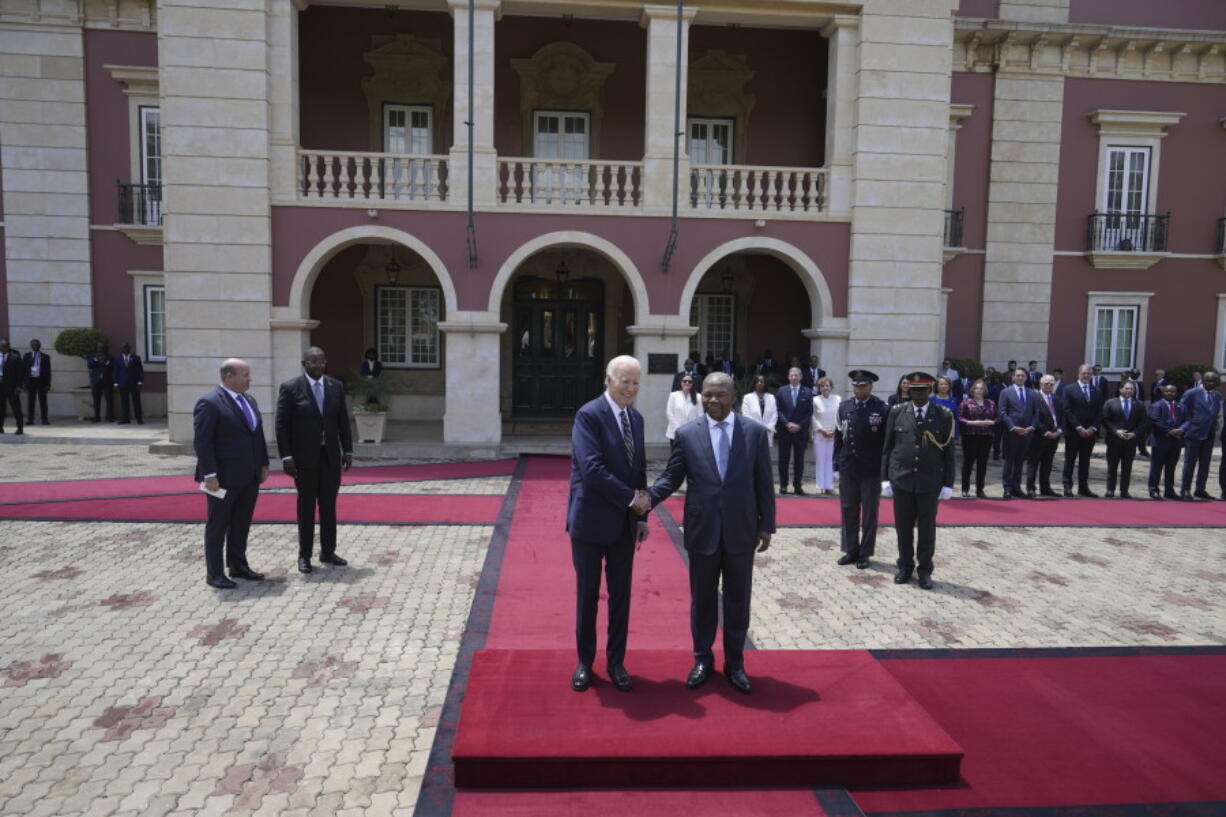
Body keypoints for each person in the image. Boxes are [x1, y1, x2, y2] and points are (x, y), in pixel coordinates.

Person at [648, 372, 775, 695]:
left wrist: (766, 525)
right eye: (707, 395)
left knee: (737, 600)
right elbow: (672, 476)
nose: (712, 400)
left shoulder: (755, 433)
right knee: (702, 600)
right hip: (702, 530)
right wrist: (646, 499)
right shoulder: (687, 434)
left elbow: (764, 483)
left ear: (734, 397)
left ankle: (735, 663)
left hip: (741, 529)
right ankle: (702, 660)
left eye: (720, 395)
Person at [566, 355, 649, 693]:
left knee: (621, 597)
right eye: (624, 381)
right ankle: (585, 663)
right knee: (587, 596)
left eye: (635, 383)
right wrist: (632, 499)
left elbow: (639, 469)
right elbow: (592, 469)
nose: (630, 389)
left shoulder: (638, 419)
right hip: (590, 522)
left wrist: (641, 515)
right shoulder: (589, 415)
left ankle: (616, 662)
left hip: (624, 527)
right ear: (608, 379)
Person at [276, 346, 354, 574]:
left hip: (330, 457)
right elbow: (282, 426)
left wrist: (347, 450)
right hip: (304, 459)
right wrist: (287, 456)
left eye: (322, 361)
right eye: (313, 362)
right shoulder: (291, 388)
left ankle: (328, 552)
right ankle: (305, 555)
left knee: (329, 507)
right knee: (306, 507)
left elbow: (343, 422)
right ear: (304, 364)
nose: (318, 365)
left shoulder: (335, 387)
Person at [193, 358, 269, 589]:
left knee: (241, 522)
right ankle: (214, 573)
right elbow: (203, 442)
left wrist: (263, 464)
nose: (250, 379)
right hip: (222, 478)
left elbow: (257, 435)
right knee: (218, 525)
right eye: (245, 375)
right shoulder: (210, 403)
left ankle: (238, 565)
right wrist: (210, 475)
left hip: (249, 475)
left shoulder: (249, 400)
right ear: (229, 377)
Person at [881, 372, 955, 590]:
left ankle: (925, 570)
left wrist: (948, 483)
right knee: (903, 528)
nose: (919, 394)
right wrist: (885, 478)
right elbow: (888, 448)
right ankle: (905, 566)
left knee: (927, 529)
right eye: (915, 390)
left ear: (930, 391)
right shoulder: (897, 412)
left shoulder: (943, 414)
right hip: (902, 480)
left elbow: (948, 453)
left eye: (923, 390)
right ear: (909, 391)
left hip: (929, 482)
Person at [833, 370, 886, 569]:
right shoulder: (844, 408)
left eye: (863, 386)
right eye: (856, 386)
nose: (859, 389)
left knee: (870, 513)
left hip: (871, 469)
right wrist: (836, 465)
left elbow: (886, 443)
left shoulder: (881, 408)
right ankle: (851, 549)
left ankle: (865, 552)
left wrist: (885, 471)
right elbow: (839, 438)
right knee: (848, 510)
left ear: (871, 386)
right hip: (849, 467)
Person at [1061, 364, 1105, 497]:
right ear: (1078, 374)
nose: (1086, 376)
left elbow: (1099, 412)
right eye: (1084, 373)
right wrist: (1078, 427)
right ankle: (1067, 486)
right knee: (1070, 459)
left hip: (1090, 433)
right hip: (1074, 431)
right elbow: (1066, 410)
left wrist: (1093, 428)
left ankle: (1083, 487)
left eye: (1089, 374)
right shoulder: (1069, 389)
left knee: (1085, 461)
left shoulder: (1096, 391)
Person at [1101, 380, 1149, 499]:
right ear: (1120, 389)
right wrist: (1115, 431)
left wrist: (1135, 433)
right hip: (1114, 440)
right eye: (1127, 388)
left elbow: (1143, 423)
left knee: (1127, 467)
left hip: (1130, 441)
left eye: (1131, 389)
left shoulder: (1139, 404)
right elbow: (1105, 420)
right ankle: (1110, 489)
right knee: (1112, 466)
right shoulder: (1110, 403)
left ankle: (1124, 490)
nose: (1129, 391)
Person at [1179, 370, 1222, 501]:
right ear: (1202, 380)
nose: (1211, 383)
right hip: (1194, 433)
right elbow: (1182, 410)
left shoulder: (1217, 395)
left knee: (1205, 464)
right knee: (1190, 463)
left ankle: (1200, 489)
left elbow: (1215, 413)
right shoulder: (1192, 393)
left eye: (1214, 381)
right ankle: (1185, 489)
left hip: (1209, 434)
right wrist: (1186, 427)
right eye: (1208, 380)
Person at [998, 368, 1039, 499]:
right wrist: (1012, 427)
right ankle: (1007, 488)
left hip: (1027, 432)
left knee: (1020, 461)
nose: (1020, 378)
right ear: (1013, 377)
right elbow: (1002, 412)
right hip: (1012, 432)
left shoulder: (1032, 393)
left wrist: (1031, 427)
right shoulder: (1005, 392)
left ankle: (1016, 486)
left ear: (1026, 378)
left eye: (1023, 376)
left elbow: (1037, 413)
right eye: (1018, 376)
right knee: (1009, 460)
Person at [775, 367, 813, 495]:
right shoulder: (781, 391)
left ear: (801, 377)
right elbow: (778, 410)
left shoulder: (808, 392)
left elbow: (809, 413)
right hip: (785, 431)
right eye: (792, 375)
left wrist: (799, 425)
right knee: (783, 459)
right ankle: (783, 485)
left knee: (799, 460)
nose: (794, 378)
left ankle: (797, 485)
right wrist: (787, 423)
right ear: (788, 377)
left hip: (800, 432)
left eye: (796, 375)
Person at [1025, 375, 1063, 497]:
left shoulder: (1057, 398)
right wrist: (1045, 432)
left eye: (1051, 384)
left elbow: (1062, 416)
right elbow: (1033, 417)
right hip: (1038, 436)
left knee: (1048, 464)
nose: (1049, 386)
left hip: (1054, 437)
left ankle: (1045, 488)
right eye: (1046, 383)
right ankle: (1031, 488)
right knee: (1033, 463)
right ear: (1041, 384)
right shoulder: (1034, 398)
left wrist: (1059, 431)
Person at [958, 378, 996, 498]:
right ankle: (965, 489)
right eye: (976, 388)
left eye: (981, 388)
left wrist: (991, 422)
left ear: (985, 390)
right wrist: (971, 423)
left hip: (986, 437)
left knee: (982, 464)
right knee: (968, 463)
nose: (978, 391)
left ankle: (980, 489)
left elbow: (997, 418)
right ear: (972, 390)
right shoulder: (966, 402)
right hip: (970, 436)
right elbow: (960, 417)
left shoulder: (991, 403)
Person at [1147, 383, 1185, 500]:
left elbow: (1187, 420)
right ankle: (1154, 490)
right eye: (1167, 391)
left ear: (1176, 393)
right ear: (1163, 393)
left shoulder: (1181, 406)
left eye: (1172, 391)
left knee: (1171, 467)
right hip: (1160, 441)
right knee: (1156, 467)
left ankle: (1169, 490)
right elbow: (1156, 420)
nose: (1170, 393)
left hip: (1176, 442)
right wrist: (1170, 431)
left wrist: (1181, 430)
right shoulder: (1156, 405)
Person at [811, 377, 840, 494]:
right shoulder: (815, 400)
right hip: (820, 434)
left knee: (830, 461)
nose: (825, 388)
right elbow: (812, 417)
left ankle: (828, 486)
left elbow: (839, 416)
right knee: (820, 461)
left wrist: (834, 430)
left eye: (827, 385)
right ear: (819, 388)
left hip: (833, 434)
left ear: (831, 387)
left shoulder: (838, 399)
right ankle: (819, 486)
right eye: (822, 386)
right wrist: (822, 430)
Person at [665, 373, 703, 447]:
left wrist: (690, 429)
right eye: (685, 381)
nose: (687, 383)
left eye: (690, 381)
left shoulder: (698, 396)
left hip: (692, 434)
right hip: (675, 432)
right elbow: (669, 413)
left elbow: (700, 416)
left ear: (693, 384)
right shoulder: (673, 395)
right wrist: (679, 429)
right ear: (681, 382)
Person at [741, 374, 777, 445]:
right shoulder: (747, 398)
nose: (759, 383)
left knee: (765, 454)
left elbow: (774, 415)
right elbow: (746, 415)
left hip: (768, 431)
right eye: (757, 381)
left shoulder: (771, 397)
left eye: (761, 381)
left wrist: (769, 427)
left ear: (765, 383)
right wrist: (760, 428)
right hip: (753, 431)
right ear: (754, 383)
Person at [113, 342, 144, 424]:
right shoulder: (117, 358)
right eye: (123, 348)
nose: (125, 349)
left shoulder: (136, 358)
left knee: (136, 401)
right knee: (124, 401)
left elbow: (139, 371)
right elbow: (116, 372)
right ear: (121, 350)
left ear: (129, 349)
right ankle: (126, 418)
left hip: (134, 383)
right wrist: (115, 383)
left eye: (127, 348)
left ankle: (139, 418)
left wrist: (140, 382)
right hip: (122, 383)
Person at [23, 339, 51, 425]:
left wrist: (48, 384)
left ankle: (44, 419)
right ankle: (30, 420)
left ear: (40, 346)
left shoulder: (45, 356)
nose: (36, 346)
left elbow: (48, 371)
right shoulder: (27, 356)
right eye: (34, 345)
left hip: (41, 381)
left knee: (43, 401)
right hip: (31, 381)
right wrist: (24, 382)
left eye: (37, 345)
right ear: (31, 346)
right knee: (31, 401)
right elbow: (23, 370)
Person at [0, 339, 24, 435]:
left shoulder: (15, 357)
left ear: (8, 347)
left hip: (12, 387)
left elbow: (20, 373)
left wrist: (19, 386)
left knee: (16, 408)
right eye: (2, 346)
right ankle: (0, 428)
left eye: (5, 346)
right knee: (1, 408)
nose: (3, 348)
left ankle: (20, 428)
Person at [87, 342, 114, 423]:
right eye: (99, 347)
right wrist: (96, 361)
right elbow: (89, 365)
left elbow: (113, 367)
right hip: (96, 381)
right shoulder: (92, 356)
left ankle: (109, 417)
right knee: (96, 400)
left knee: (109, 399)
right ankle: (96, 417)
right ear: (97, 348)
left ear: (105, 348)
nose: (100, 348)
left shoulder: (110, 357)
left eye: (102, 347)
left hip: (107, 381)